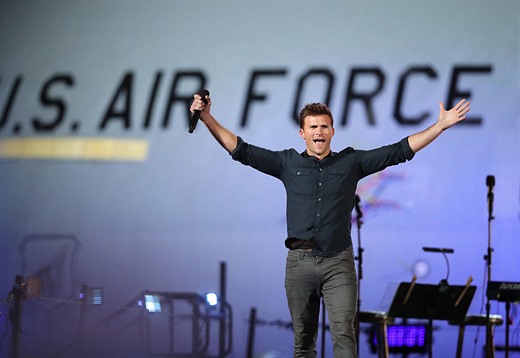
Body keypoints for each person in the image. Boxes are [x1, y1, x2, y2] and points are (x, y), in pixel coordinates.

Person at [190, 94, 471, 357]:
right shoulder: (287, 163)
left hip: (338, 262)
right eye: (313, 127)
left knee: (344, 338)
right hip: (299, 263)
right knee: (303, 344)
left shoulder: (351, 162)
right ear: (302, 133)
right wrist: (207, 118)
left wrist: (440, 126)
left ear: (333, 131)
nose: (319, 132)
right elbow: (241, 150)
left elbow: (399, 150)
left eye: (324, 126)